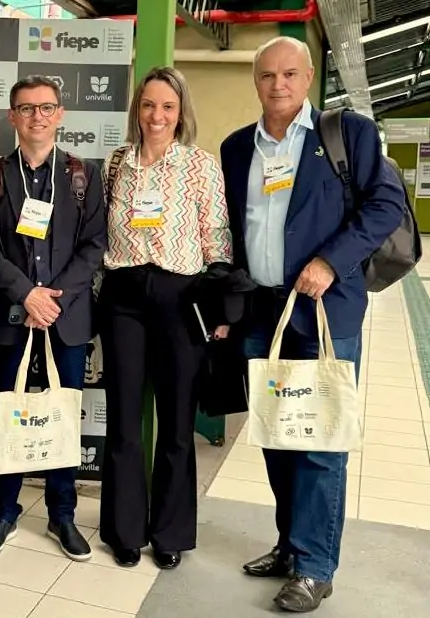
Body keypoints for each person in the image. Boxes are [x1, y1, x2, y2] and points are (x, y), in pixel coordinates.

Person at [220, 36, 404, 612]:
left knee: (321, 440)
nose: (278, 84)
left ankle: (315, 567)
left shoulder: (347, 135)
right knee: (278, 433)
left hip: (325, 311)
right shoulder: (236, 148)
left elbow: (386, 206)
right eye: (267, 75)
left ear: (307, 79)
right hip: (262, 311)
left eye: (290, 74)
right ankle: (289, 544)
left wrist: (329, 261)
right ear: (256, 81)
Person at [98, 67, 233, 571]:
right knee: (124, 420)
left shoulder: (199, 164)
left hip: (182, 297)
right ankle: (125, 530)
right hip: (123, 298)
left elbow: (216, 234)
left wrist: (220, 308)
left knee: (177, 423)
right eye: (149, 105)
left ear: (181, 113)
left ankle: (170, 532)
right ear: (137, 109)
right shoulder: (116, 164)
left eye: (168, 107)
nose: (157, 116)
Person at [0, 76, 106, 560]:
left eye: (46, 107)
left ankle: (62, 515)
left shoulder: (84, 174)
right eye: (26, 108)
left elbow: (94, 245)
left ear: (60, 114)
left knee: (62, 415)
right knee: (7, 413)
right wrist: (27, 294)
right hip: (10, 314)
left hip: (66, 317)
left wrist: (52, 300)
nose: (37, 117)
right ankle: (3, 512)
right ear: (12, 116)